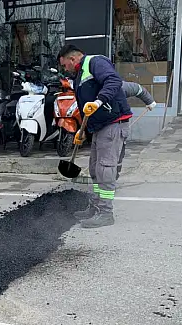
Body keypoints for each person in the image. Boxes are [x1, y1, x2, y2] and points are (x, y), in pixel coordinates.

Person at [58, 44, 132, 229]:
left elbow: (114, 81)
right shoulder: (79, 77)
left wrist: (99, 102)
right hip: (99, 126)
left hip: (114, 123)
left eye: (65, 65)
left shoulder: (95, 63)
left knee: (106, 169)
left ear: (73, 59)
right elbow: (86, 108)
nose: (64, 69)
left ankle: (106, 213)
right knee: (94, 168)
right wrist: (81, 132)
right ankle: (95, 206)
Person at [118, 82, 156, 178]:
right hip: (99, 126)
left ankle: (111, 179)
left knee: (116, 153)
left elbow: (138, 89)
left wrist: (150, 102)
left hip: (119, 123)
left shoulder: (118, 85)